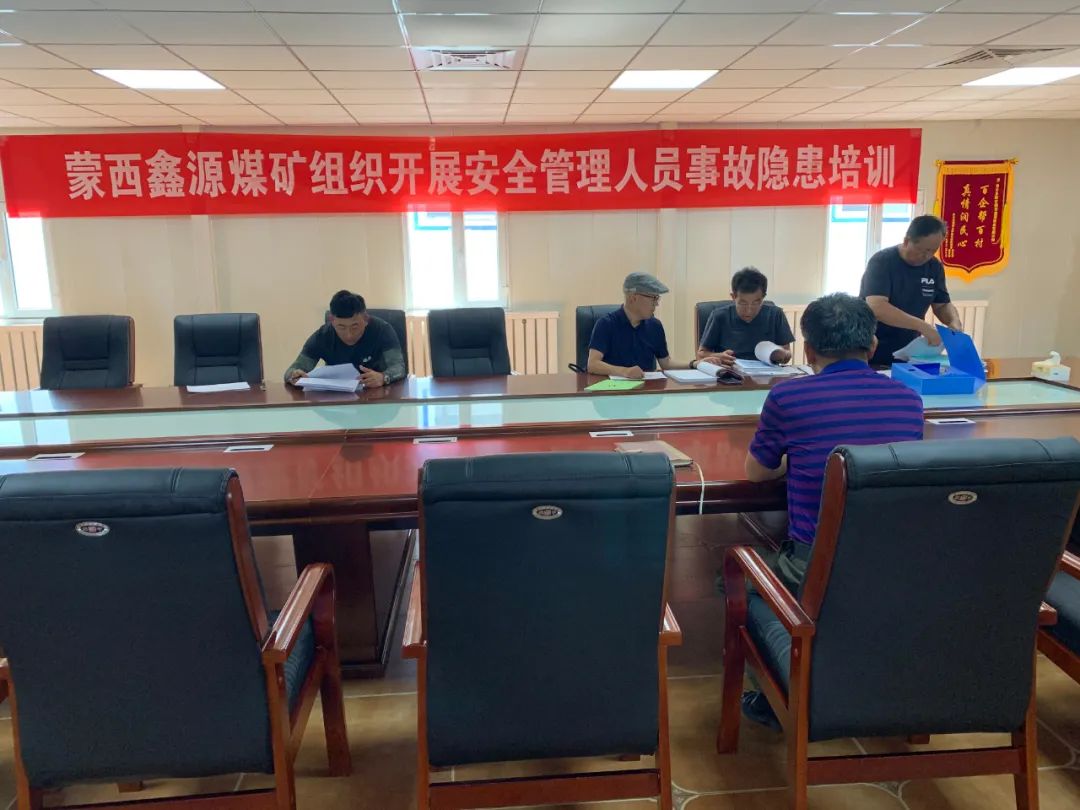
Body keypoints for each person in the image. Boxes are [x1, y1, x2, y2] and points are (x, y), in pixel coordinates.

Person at [738, 293, 925, 729]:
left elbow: (756, 473)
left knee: (734, 579)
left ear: (808, 350)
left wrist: (797, 459)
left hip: (813, 565)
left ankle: (786, 690)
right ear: (872, 346)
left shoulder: (788, 397)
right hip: (895, 565)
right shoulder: (908, 400)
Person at [859, 215, 964, 367]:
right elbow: (877, 307)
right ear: (907, 241)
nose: (927, 256)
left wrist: (954, 322)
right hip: (873, 349)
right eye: (923, 250)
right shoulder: (882, 262)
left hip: (909, 352)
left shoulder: (934, 267)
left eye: (933, 251)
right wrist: (923, 326)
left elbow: (942, 304)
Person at [285, 290, 406, 388]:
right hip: (338, 399)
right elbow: (291, 371)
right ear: (332, 320)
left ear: (366, 319)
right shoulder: (322, 336)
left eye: (355, 326)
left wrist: (383, 377)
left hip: (378, 395)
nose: (349, 335)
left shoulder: (382, 330)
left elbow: (399, 368)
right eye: (341, 327)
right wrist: (294, 376)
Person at [587, 272, 684, 379]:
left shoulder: (655, 326)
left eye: (657, 298)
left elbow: (666, 363)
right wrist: (624, 371)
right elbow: (593, 364)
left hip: (647, 387)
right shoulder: (606, 324)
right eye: (653, 298)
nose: (656, 304)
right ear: (633, 298)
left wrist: (693, 364)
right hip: (612, 387)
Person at [697, 267, 795, 367]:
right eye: (743, 303)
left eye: (756, 303)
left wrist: (782, 355)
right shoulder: (719, 316)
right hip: (731, 372)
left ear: (763, 297)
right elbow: (701, 354)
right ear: (733, 297)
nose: (749, 310)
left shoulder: (776, 315)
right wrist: (719, 356)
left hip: (768, 374)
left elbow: (787, 353)